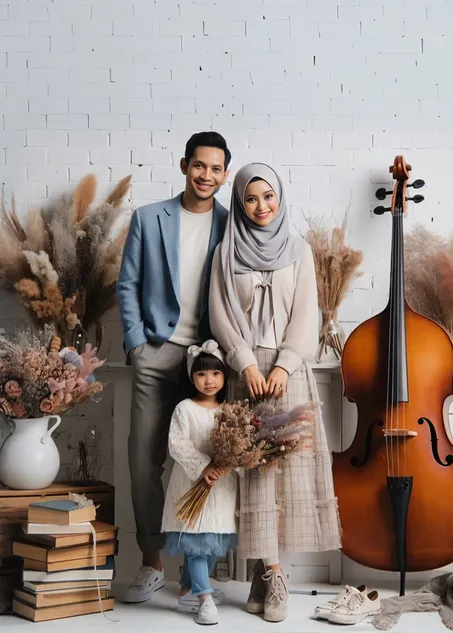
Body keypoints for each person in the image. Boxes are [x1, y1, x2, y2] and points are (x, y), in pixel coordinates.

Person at [209, 163, 341, 623]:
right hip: (246, 375)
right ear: (240, 203)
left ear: (280, 197)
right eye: (251, 198)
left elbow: (307, 312)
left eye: (269, 197)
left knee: (285, 473)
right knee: (255, 474)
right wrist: (245, 363)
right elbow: (220, 314)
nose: (261, 206)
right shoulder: (226, 251)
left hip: (289, 373)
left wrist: (284, 364)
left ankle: (265, 577)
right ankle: (274, 573)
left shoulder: (299, 250)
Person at [117, 132, 231, 603]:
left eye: (216, 169)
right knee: (145, 459)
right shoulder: (148, 217)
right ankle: (151, 562)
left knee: (207, 460)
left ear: (225, 173)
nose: (207, 175)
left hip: (211, 360)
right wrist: (136, 346)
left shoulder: (233, 223)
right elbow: (127, 284)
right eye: (199, 165)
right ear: (184, 164)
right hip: (157, 352)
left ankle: (197, 569)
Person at [161, 340, 237, 626]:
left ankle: (186, 587)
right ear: (192, 377)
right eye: (202, 374)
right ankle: (204, 597)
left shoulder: (228, 411)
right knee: (196, 542)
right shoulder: (185, 409)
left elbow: (237, 448)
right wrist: (204, 466)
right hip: (192, 483)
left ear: (224, 377)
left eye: (216, 374)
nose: (209, 380)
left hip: (220, 488)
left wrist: (229, 464)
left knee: (211, 538)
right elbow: (177, 445)